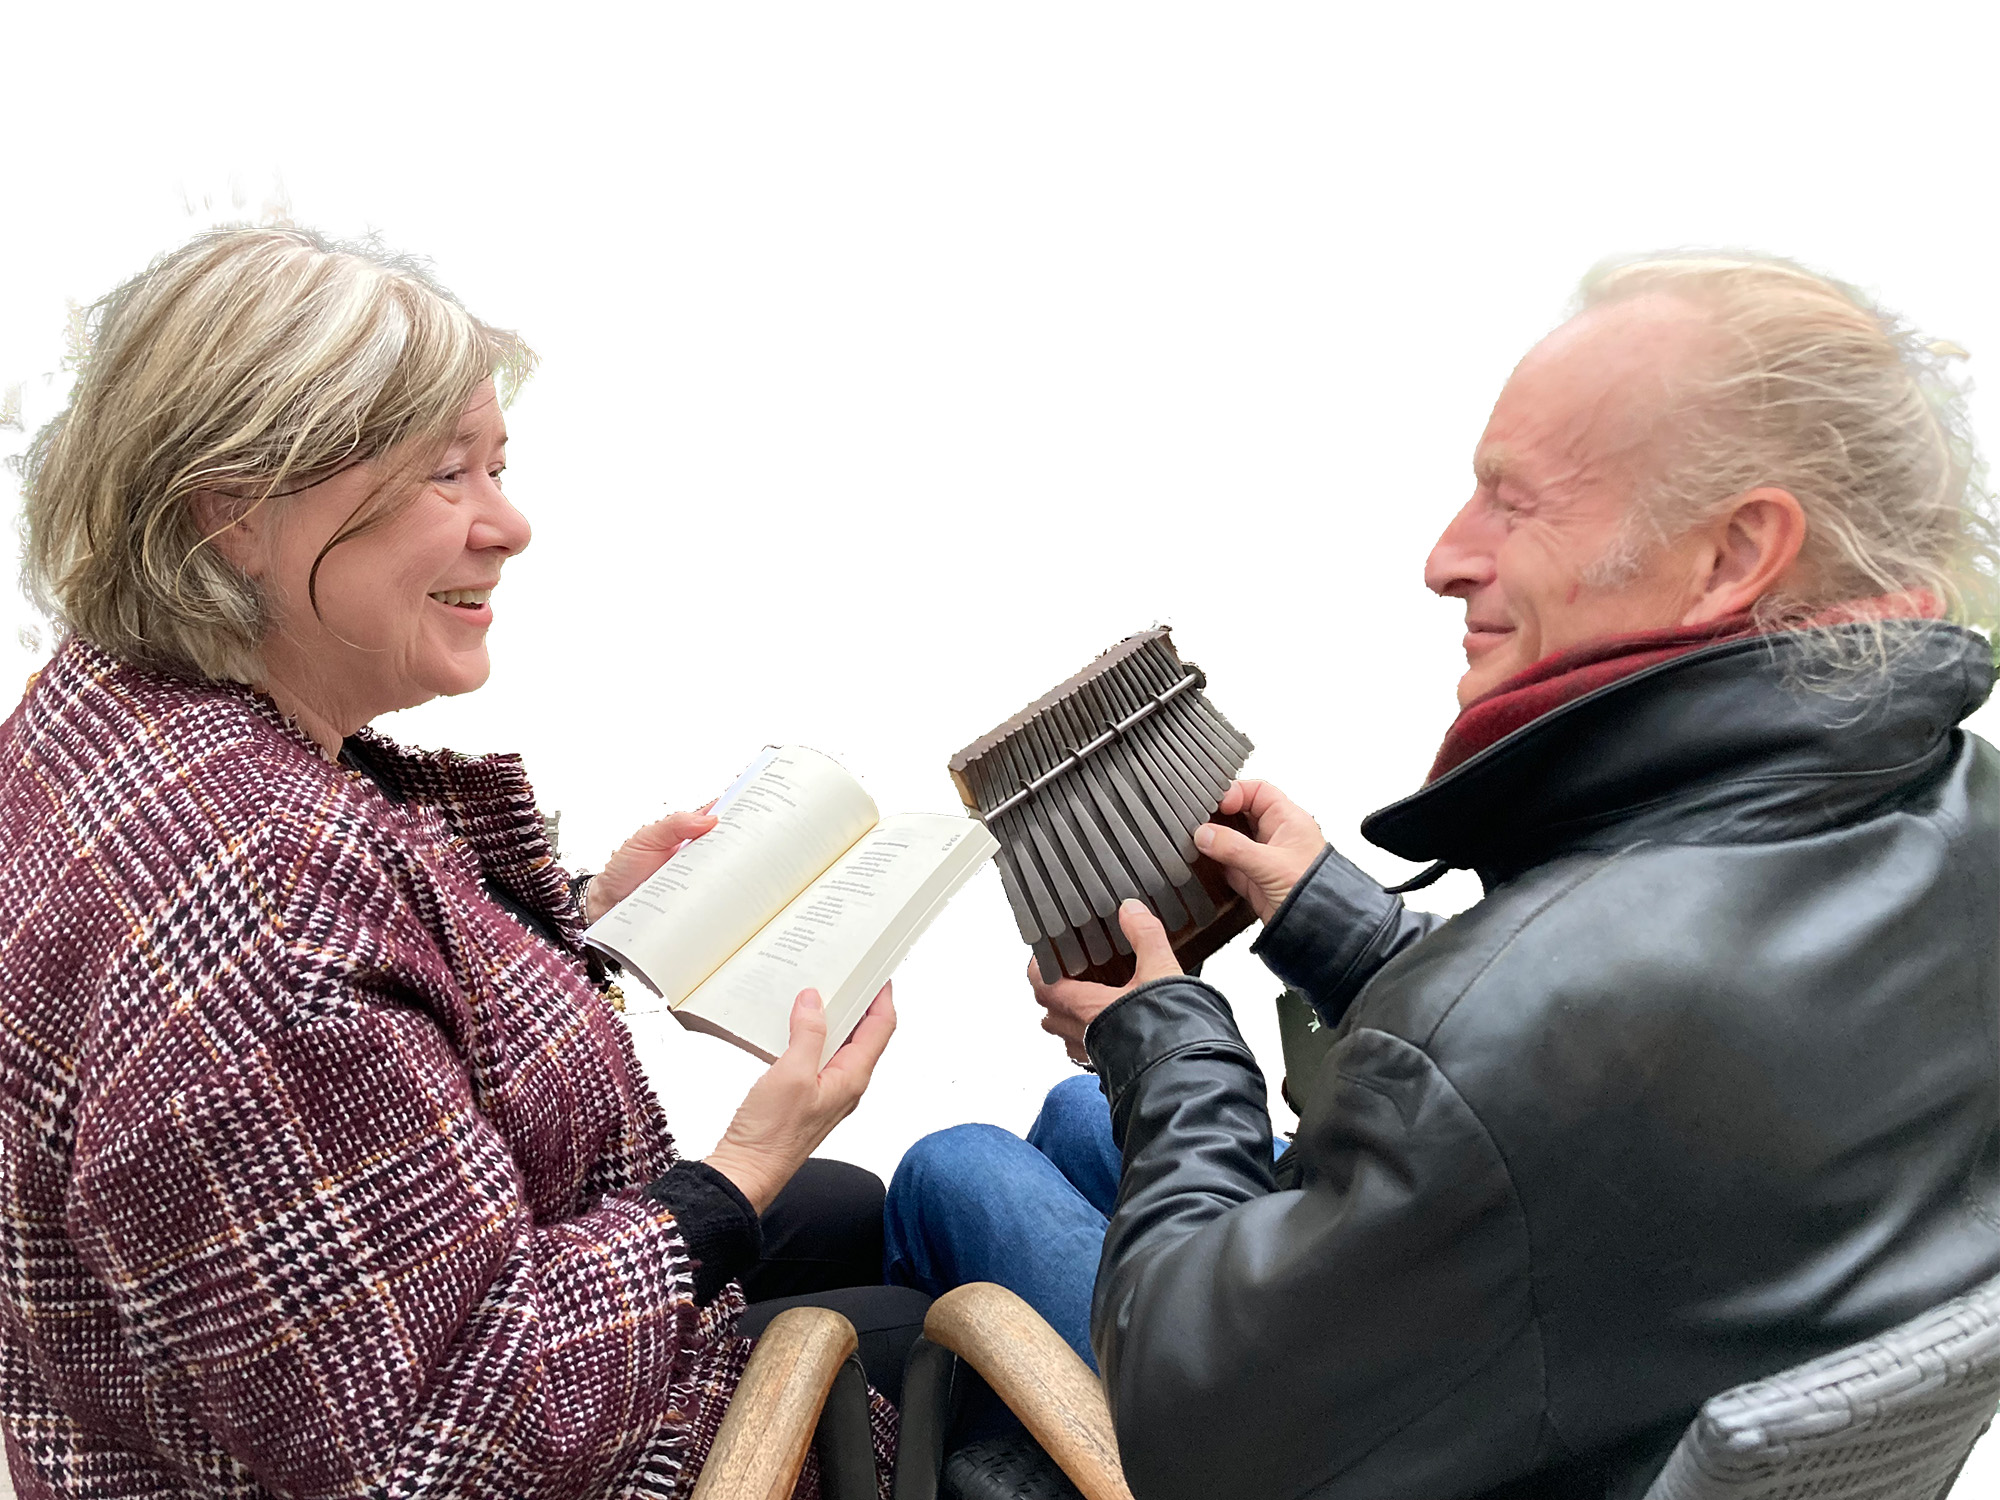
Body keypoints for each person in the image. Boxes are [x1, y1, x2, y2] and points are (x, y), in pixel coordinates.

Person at [886, 254, 2000, 1499]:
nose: (1443, 557)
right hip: (1629, 1354)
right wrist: (1329, 919)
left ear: (1734, 551)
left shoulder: (1529, 1011)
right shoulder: (1965, 818)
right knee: (1077, 1122)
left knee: (956, 1167)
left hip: (1414, 1440)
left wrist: (1171, 1044)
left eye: (1513, 504)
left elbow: (1190, 1432)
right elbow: (1626, 1067)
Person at [0, 226, 923, 1499]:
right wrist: (734, 1175)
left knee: (851, 1206)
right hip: (476, 1446)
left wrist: (593, 920)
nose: (512, 524)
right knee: (939, 1341)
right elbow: (449, 1444)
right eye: (446, 476)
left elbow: (366, 1025)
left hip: (208, 1398)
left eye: (498, 466)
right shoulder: (259, 902)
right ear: (234, 512)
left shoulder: (108, 717)